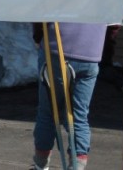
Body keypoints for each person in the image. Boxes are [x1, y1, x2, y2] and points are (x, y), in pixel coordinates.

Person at [30, 22, 108, 170]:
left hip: (57, 46)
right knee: (79, 115)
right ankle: (77, 166)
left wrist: (38, 36)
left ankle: (41, 165)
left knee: (48, 112)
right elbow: (113, 17)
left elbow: (42, 6)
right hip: (91, 51)